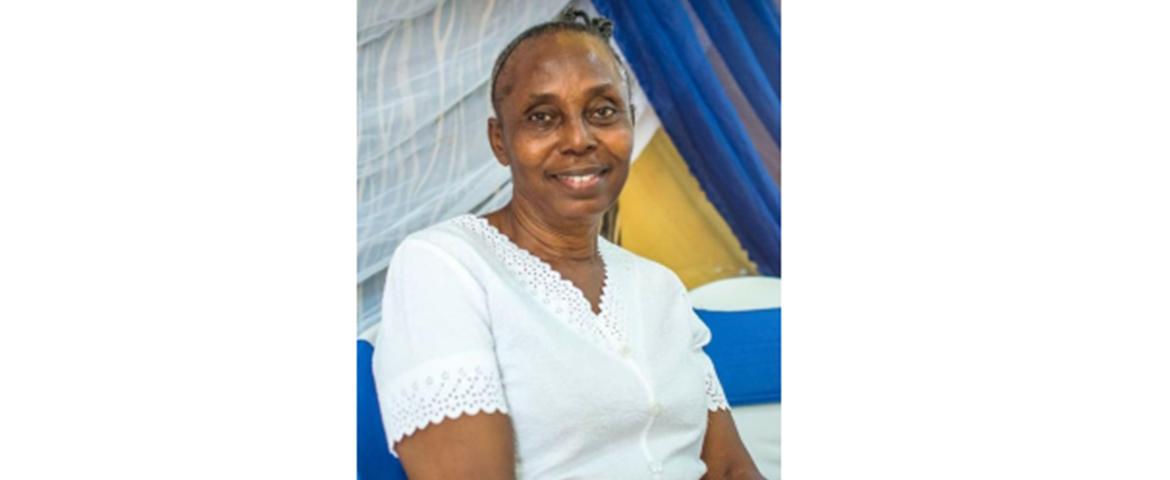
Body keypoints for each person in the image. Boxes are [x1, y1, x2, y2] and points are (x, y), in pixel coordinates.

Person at [372, 8, 765, 479]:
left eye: (602, 111)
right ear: (500, 141)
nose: (579, 139)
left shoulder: (659, 287)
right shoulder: (444, 267)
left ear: (629, 121)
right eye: (542, 117)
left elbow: (730, 470)